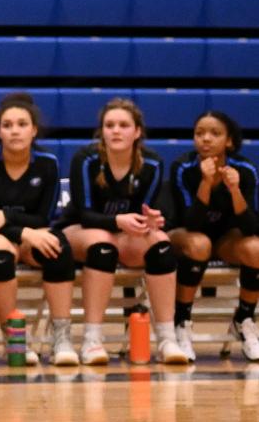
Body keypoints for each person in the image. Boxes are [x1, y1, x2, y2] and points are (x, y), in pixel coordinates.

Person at [60, 98, 188, 365]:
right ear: (101, 131)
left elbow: (147, 211)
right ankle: (92, 340)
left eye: (123, 125)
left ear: (137, 132)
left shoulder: (151, 163)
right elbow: (84, 214)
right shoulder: (86, 159)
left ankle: (167, 338)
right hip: (80, 229)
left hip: (124, 233)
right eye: (109, 125)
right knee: (102, 244)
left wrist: (151, 219)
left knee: (161, 243)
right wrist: (119, 221)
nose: (115, 131)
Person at [0, 93, 77, 367]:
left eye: (22, 124)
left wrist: (7, 216)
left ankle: (61, 335)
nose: (15, 131)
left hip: (27, 234)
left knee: (58, 248)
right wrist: (21, 230)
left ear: (34, 130)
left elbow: (44, 218)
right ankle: (13, 338)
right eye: (7, 125)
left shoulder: (47, 163)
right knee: (0, 255)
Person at [167, 110, 259, 362]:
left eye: (214, 133)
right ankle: (182, 320)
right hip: (185, 235)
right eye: (199, 133)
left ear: (229, 141)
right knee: (199, 243)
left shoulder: (245, 169)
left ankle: (244, 319)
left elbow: (251, 226)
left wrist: (235, 190)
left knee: (255, 248)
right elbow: (191, 222)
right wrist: (206, 183)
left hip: (227, 238)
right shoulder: (183, 168)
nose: (205, 139)